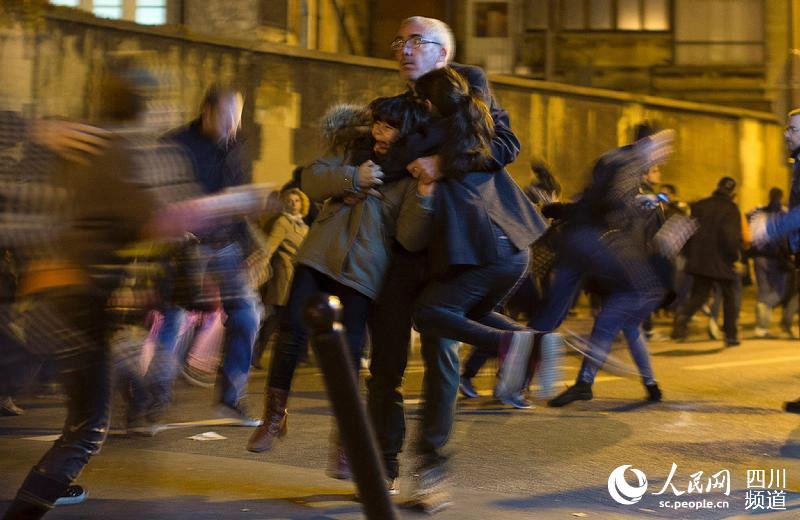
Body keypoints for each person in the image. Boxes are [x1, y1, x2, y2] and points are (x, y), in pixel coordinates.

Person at [364, 18, 541, 509]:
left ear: (443, 52)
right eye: (398, 41)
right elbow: (377, 162)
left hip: (454, 246)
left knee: (441, 353)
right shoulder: (391, 106)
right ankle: (382, 466)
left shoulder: (467, 85)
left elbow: (503, 144)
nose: (404, 50)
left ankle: (430, 469)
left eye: (415, 41)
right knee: (386, 363)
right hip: (402, 246)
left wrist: (441, 163)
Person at [246, 95, 435, 479]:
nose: (378, 131)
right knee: (292, 328)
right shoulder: (353, 150)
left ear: (406, 133)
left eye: (388, 126)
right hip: (319, 252)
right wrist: (353, 178)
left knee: (346, 357)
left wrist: (425, 194)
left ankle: (345, 442)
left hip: (364, 272)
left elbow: (411, 237)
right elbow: (311, 179)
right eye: (377, 122)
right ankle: (274, 415)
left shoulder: (411, 175)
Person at [154, 83, 263, 425]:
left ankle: (231, 398)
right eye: (229, 116)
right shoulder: (175, 144)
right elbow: (161, 196)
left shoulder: (236, 146)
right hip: (183, 245)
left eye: (239, 117)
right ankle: (152, 402)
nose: (235, 125)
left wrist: (250, 248)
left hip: (226, 244)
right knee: (172, 320)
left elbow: (238, 199)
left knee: (247, 315)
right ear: (208, 112)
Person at [671, 177, 743, 347]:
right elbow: (731, 237)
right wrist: (734, 258)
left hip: (700, 259)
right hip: (721, 261)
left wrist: (689, 254)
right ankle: (731, 334)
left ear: (717, 187)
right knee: (729, 296)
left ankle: (682, 317)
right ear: (732, 192)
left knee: (699, 295)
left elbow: (689, 231)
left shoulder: (700, 205)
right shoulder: (731, 209)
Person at [249, 187, 310, 368]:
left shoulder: (303, 225)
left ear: (302, 203)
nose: (293, 204)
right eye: (289, 201)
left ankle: (296, 355)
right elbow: (269, 247)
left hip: (297, 277)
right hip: (284, 276)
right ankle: (255, 355)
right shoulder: (283, 222)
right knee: (275, 318)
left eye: (297, 201)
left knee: (287, 318)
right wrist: (258, 267)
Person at [748, 188, 795, 338]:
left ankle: (761, 328)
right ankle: (764, 307)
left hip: (758, 257)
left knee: (763, 290)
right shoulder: (783, 214)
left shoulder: (758, 212)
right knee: (779, 291)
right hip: (774, 258)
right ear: (781, 197)